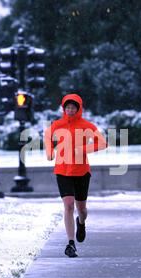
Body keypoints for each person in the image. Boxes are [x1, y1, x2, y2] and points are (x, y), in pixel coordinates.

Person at [44, 94, 107, 258]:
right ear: (63, 108)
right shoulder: (57, 125)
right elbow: (47, 137)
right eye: (67, 107)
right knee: (69, 205)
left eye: (73, 107)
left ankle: (81, 222)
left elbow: (102, 143)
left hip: (81, 171)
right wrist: (50, 152)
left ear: (79, 109)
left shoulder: (87, 126)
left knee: (81, 209)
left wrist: (83, 150)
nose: (70, 110)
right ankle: (70, 243)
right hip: (62, 170)